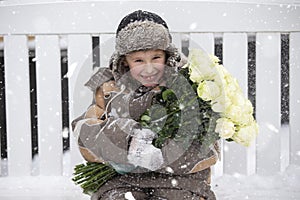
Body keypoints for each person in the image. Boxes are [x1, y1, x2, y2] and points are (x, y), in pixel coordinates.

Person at [72, 10, 219, 200]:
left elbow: (206, 148)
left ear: (168, 56)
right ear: (124, 61)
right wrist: (131, 140)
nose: (149, 69)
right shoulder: (109, 87)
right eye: (138, 60)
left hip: (183, 181)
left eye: (156, 58)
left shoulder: (191, 86)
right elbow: (86, 133)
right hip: (123, 180)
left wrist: (156, 154)